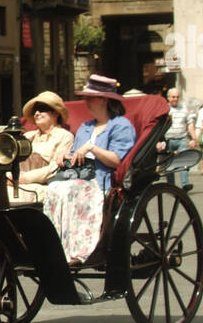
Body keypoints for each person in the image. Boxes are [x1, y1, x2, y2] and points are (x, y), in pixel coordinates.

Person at [43, 76, 136, 265]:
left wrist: (92, 148)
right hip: (78, 177)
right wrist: (63, 155)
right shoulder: (86, 127)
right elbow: (74, 155)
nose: (86, 102)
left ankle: (78, 250)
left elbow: (117, 160)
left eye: (90, 97)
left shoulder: (121, 125)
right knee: (53, 189)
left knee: (69, 191)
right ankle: (55, 248)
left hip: (101, 180)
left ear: (103, 99)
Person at [8, 91, 74, 204]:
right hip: (14, 182)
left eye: (42, 108)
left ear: (56, 113)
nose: (37, 113)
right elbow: (9, 159)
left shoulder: (65, 136)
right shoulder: (28, 136)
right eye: (35, 110)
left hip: (41, 186)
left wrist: (23, 178)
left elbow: (55, 169)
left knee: (10, 196)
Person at [155, 88, 196, 190]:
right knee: (169, 164)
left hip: (181, 139)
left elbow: (190, 124)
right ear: (168, 97)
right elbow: (158, 125)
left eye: (177, 97)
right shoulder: (164, 109)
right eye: (173, 97)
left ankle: (185, 184)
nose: (175, 99)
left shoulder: (184, 108)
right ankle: (171, 186)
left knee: (184, 161)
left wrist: (193, 138)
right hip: (168, 140)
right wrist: (158, 141)